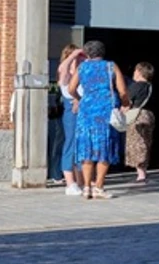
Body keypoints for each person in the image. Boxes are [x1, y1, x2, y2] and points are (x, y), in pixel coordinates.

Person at [67, 40, 128, 199]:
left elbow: (71, 89)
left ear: (87, 54)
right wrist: (125, 104)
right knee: (104, 148)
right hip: (105, 110)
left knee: (87, 147)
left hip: (86, 110)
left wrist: (80, 98)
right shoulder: (111, 66)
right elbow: (122, 90)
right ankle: (99, 187)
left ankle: (86, 187)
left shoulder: (82, 68)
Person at [56, 44, 86, 195]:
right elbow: (62, 68)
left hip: (84, 110)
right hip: (71, 110)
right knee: (71, 143)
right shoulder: (66, 74)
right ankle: (70, 183)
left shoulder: (82, 73)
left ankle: (81, 180)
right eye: (77, 58)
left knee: (82, 145)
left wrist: (85, 57)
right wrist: (73, 55)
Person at [125, 62, 156, 183]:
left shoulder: (135, 86)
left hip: (137, 115)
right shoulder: (150, 87)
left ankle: (141, 173)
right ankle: (144, 169)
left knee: (136, 143)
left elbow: (127, 101)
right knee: (146, 142)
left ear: (139, 72)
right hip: (149, 115)